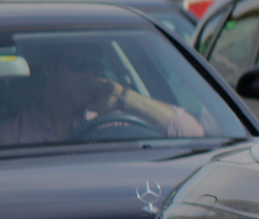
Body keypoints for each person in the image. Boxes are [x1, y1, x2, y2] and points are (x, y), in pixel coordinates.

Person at [0, 42, 204, 145]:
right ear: (50, 69)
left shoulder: (115, 121)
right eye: (78, 65)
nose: (90, 76)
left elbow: (192, 133)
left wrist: (124, 96)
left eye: (97, 68)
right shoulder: (13, 135)